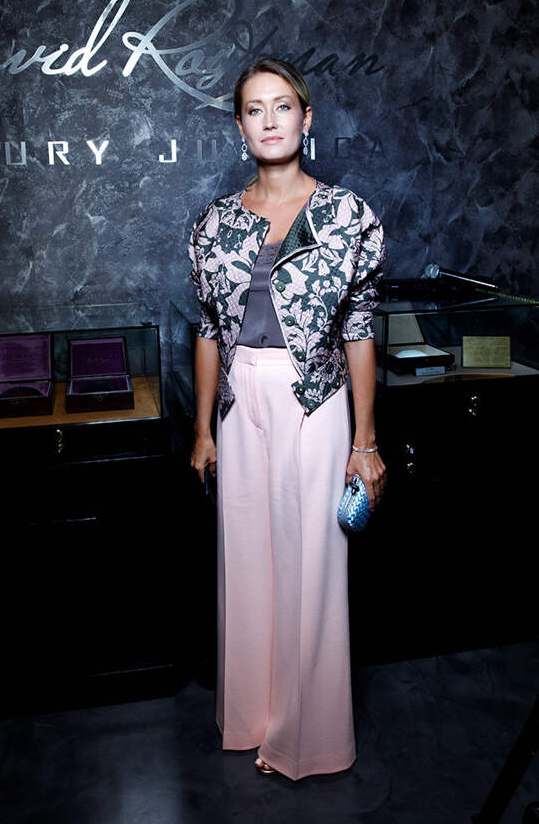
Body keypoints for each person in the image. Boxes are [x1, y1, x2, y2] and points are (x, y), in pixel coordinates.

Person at [188, 58, 386, 781]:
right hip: (239, 401)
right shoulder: (214, 222)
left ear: (307, 118)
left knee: (312, 568)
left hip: (315, 400)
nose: (269, 121)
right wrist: (202, 429)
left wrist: (365, 442)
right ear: (240, 128)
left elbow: (359, 330)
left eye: (282, 106)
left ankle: (307, 739)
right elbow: (208, 330)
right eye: (254, 109)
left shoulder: (348, 215)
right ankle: (251, 720)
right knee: (244, 563)